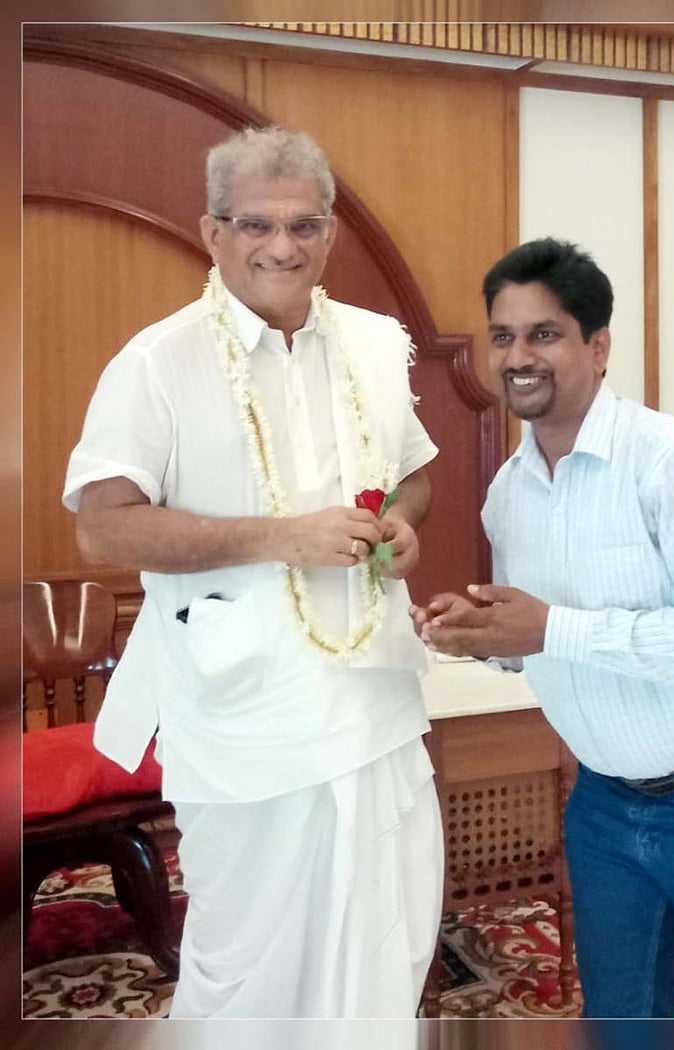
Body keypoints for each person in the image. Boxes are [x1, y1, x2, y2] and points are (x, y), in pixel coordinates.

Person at [63, 126, 443, 1019]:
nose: (282, 246)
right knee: (250, 966)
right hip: (245, 715)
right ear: (213, 232)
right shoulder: (159, 361)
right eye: (257, 225)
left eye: (305, 225)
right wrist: (282, 537)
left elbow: (416, 475)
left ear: (330, 233)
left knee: (388, 936)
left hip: (374, 695)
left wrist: (401, 526)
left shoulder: (377, 344)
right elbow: (100, 530)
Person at [410, 238, 674, 1018]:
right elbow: (540, 644)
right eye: (503, 336)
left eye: (544, 333)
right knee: (622, 1019)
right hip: (604, 801)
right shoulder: (509, 493)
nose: (517, 356)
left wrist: (549, 629)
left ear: (598, 348)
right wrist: (482, 637)